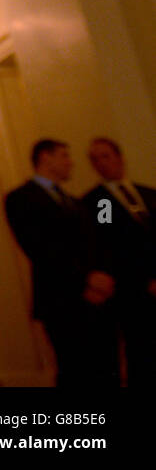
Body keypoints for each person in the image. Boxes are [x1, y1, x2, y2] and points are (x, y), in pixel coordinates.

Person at [4, 138, 118, 386]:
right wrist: (85, 279)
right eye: (65, 156)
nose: (71, 162)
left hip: (95, 299)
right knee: (75, 371)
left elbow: (93, 245)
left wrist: (102, 277)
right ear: (46, 158)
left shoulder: (75, 202)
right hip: (60, 299)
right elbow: (39, 248)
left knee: (105, 370)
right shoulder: (20, 198)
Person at [83, 136, 155, 386]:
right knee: (141, 354)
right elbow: (108, 245)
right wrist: (144, 280)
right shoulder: (97, 201)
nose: (101, 163)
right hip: (132, 291)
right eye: (95, 159)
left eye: (106, 156)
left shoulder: (148, 193)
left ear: (120, 157)